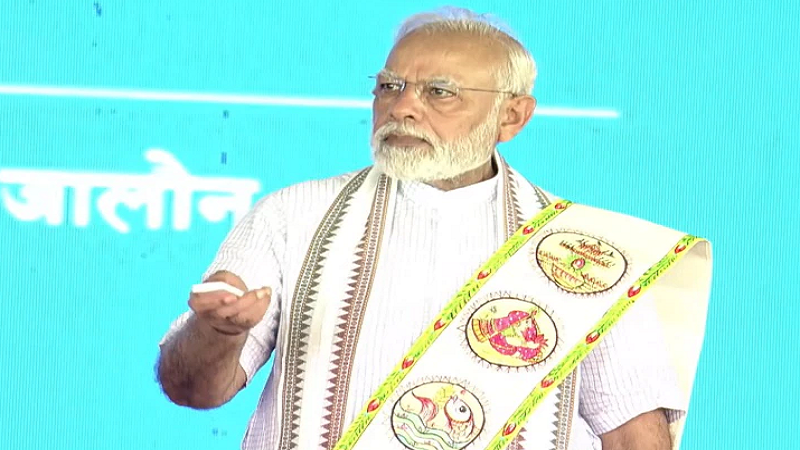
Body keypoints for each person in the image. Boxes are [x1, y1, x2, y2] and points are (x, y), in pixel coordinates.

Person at [157, 7, 709, 450]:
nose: (403, 108)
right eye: (389, 87)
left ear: (513, 117)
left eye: (439, 92)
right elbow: (192, 390)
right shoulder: (290, 214)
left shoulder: (583, 252)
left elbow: (633, 432)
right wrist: (218, 332)